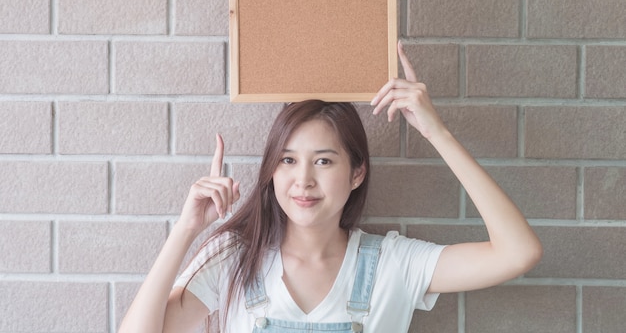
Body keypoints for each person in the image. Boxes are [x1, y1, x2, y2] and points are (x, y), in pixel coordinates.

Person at [119, 41, 542, 333]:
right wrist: (186, 229)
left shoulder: (393, 265)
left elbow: (517, 252)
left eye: (323, 161)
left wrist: (437, 132)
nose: (303, 180)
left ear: (357, 172)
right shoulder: (236, 259)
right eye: (288, 160)